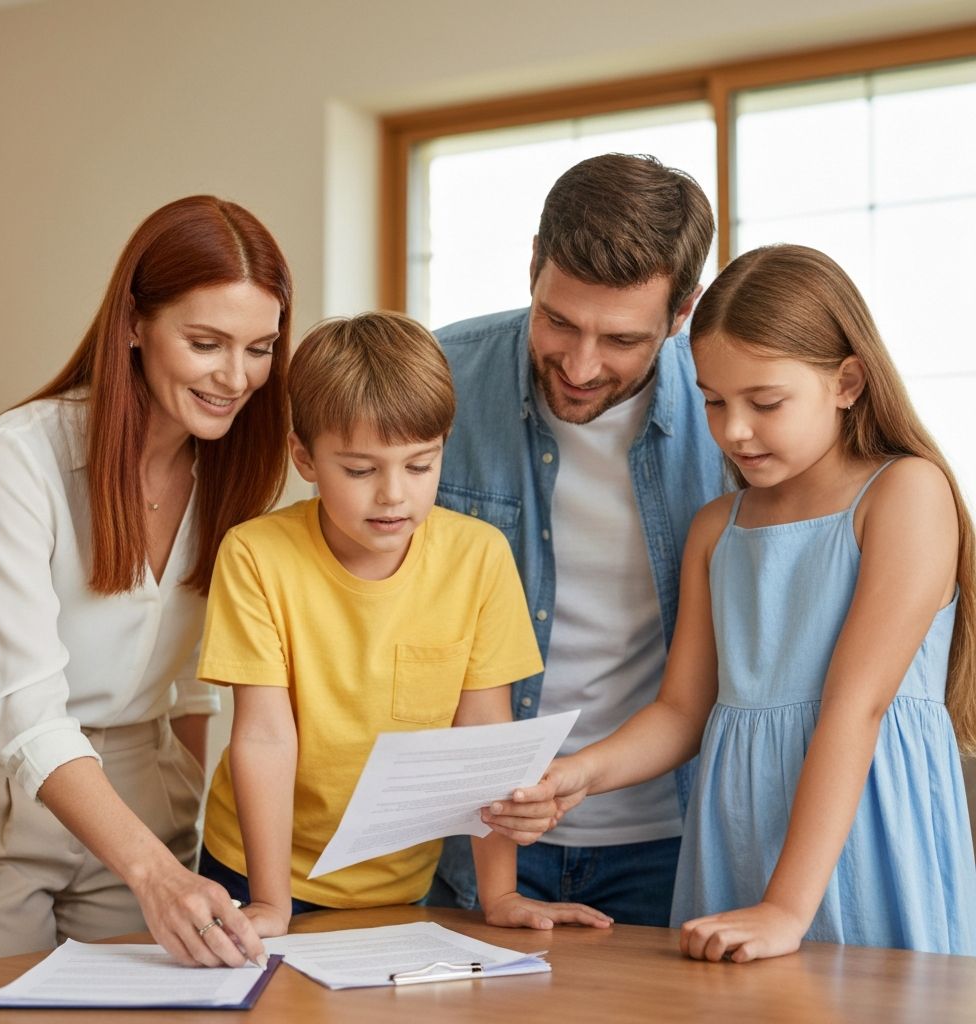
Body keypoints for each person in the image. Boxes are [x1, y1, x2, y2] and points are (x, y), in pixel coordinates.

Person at [493, 244, 976, 959]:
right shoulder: (717, 528)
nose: (733, 430)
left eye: (765, 402)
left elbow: (857, 706)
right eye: (714, 402)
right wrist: (578, 774)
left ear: (847, 382)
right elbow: (682, 711)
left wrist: (784, 906)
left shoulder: (904, 495)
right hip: (739, 839)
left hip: (863, 836)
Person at [0, 195, 293, 968]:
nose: (236, 378)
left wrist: (176, 826)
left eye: (260, 348)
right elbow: (25, 706)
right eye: (206, 343)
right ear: (134, 325)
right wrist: (154, 872)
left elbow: (201, 685)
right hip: (3, 791)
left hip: (150, 793)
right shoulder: (19, 458)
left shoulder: (233, 471)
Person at [194, 311, 612, 934]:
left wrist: (498, 898)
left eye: (420, 466)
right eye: (361, 470)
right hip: (253, 872)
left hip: (398, 884)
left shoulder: (480, 556)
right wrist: (270, 902)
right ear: (304, 458)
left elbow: (483, 743)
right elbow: (263, 738)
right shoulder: (256, 555)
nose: (394, 494)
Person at [427, 153, 727, 924]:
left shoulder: (733, 418)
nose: (581, 364)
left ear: (682, 310)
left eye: (622, 339)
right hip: (466, 836)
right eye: (558, 320)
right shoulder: (442, 382)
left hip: (668, 839)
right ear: (533, 263)